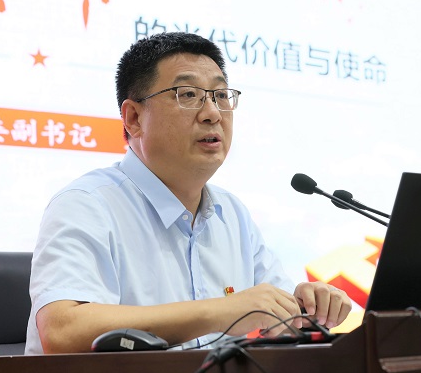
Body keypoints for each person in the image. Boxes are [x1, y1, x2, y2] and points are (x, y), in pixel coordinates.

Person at [25, 32, 352, 354]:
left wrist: (309, 305)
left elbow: (279, 315)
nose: (213, 113)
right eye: (188, 94)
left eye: (221, 96)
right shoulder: (87, 204)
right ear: (134, 118)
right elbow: (62, 330)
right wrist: (220, 311)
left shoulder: (231, 214)